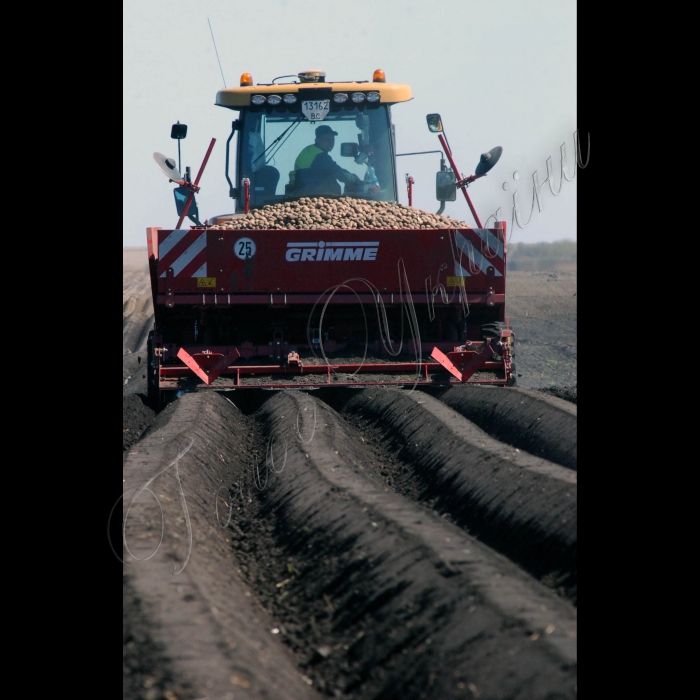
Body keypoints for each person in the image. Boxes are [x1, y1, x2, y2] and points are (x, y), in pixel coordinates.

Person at [290, 124, 361, 196]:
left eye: (332, 140)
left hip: (303, 194)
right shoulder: (320, 156)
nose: (331, 143)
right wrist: (353, 178)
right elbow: (338, 172)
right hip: (317, 196)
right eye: (327, 140)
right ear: (318, 139)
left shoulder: (308, 150)